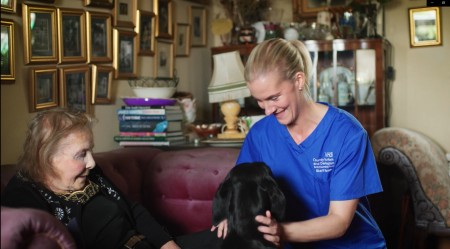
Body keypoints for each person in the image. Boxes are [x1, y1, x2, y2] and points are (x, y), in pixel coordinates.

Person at [212, 38, 386, 248]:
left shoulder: (347, 133)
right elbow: (240, 186)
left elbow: (339, 222)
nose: (267, 110)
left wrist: (281, 231)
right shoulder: (260, 135)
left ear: (299, 80)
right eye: (259, 101)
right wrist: (227, 214)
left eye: (274, 97)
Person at [1, 108, 220, 249]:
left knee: (234, 237)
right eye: (81, 155)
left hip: (146, 245)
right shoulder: (23, 194)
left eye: (90, 151)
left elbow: (133, 210)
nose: (91, 163)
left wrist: (168, 246)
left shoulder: (90, 174)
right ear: (48, 157)